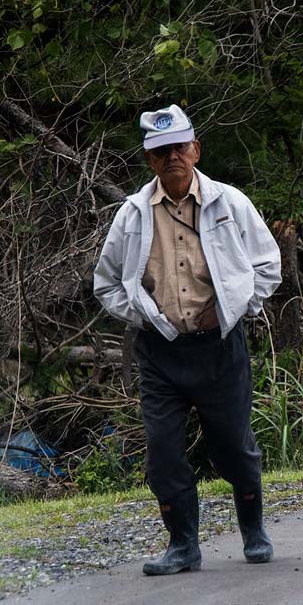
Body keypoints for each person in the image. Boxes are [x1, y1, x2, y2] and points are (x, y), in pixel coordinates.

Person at [93, 103, 282, 575]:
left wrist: (238, 305)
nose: (172, 157)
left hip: (220, 346)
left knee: (233, 446)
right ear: (149, 160)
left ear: (195, 150)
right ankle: (183, 546)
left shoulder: (230, 203)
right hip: (160, 353)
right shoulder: (132, 214)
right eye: (161, 151)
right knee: (162, 450)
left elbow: (268, 266)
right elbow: (107, 284)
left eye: (179, 147)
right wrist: (142, 314)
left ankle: (253, 531)